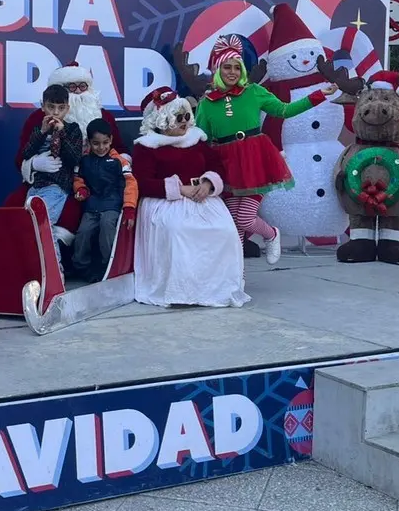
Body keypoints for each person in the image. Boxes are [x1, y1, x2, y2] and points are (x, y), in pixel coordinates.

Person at [195, 35, 333, 266]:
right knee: (234, 222)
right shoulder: (207, 103)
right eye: (227, 67)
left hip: (253, 161)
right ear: (218, 69)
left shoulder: (254, 91)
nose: (232, 72)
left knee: (245, 218)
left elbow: (285, 110)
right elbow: (202, 138)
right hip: (225, 164)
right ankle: (235, 276)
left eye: (237, 68)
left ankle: (271, 234)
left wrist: (318, 95)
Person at [132, 87, 248, 308]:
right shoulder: (147, 147)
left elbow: (216, 166)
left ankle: (218, 287)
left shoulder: (196, 140)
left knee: (224, 231)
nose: (185, 122)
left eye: (187, 116)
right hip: (166, 202)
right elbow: (143, 183)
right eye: (179, 118)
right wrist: (178, 189)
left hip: (202, 198)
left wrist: (208, 182)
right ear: (163, 119)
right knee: (179, 231)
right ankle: (183, 291)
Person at [7, 60, 124, 243]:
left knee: (66, 217)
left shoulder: (103, 117)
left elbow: (120, 151)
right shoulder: (39, 119)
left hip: (95, 182)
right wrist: (34, 163)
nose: (78, 91)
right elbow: (21, 156)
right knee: (13, 207)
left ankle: (59, 263)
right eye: (72, 87)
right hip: (49, 180)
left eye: (82, 86)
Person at [20, 84, 84, 261]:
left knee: (43, 225)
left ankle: (56, 271)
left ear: (67, 109)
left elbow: (74, 158)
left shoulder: (72, 129)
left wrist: (61, 132)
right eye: (51, 107)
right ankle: (37, 270)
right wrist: (41, 132)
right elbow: (25, 154)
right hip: (35, 187)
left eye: (61, 108)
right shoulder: (38, 129)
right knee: (32, 227)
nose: (55, 113)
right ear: (43, 107)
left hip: (57, 187)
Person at [72, 118, 138, 280]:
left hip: (112, 205)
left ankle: (108, 268)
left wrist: (129, 208)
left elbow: (131, 184)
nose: (101, 147)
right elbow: (77, 179)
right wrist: (81, 189)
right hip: (92, 206)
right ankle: (80, 267)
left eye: (105, 142)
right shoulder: (84, 160)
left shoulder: (119, 161)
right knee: (83, 232)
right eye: (96, 143)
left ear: (111, 140)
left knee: (107, 228)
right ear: (89, 142)